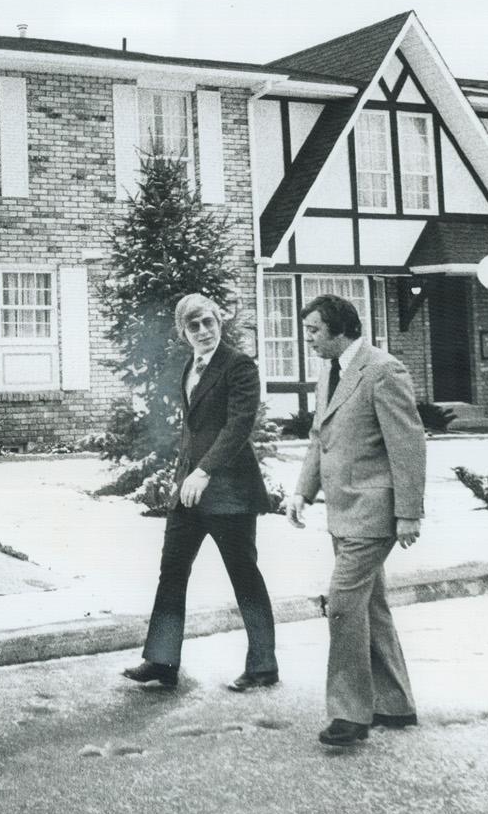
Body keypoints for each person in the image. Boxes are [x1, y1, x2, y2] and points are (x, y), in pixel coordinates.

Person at [123, 293, 288, 693]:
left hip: (229, 491)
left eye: (208, 322)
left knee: (243, 574)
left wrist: (204, 471)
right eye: (193, 325)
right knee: (172, 570)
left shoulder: (240, 366)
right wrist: (184, 476)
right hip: (189, 490)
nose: (203, 331)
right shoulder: (190, 365)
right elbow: (194, 429)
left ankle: (263, 665)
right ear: (183, 332)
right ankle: (161, 661)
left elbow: (237, 426)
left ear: (219, 322)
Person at [283, 293, 427, 747]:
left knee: (343, 607)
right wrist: (302, 492)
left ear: (340, 329)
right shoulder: (330, 372)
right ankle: (395, 704)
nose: (307, 339)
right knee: (370, 607)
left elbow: (408, 447)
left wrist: (408, 513)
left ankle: (350, 715)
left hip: (373, 512)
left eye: (313, 331)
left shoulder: (383, 370)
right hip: (343, 513)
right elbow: (319, 439)